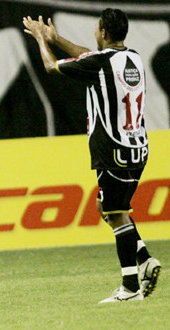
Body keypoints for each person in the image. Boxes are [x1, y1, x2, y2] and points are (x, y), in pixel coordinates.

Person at [23, 9, 162, 303]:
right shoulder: (133, 57)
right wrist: (57, 37)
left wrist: (40, 40)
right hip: (138, 148)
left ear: (103, 33)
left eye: (97, 29)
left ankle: (130, 287)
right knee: (108, 206)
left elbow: (51, 67)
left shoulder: (99, 63)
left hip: (112, 150)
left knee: (116, 214)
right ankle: (145, 259)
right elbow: (88, 56)